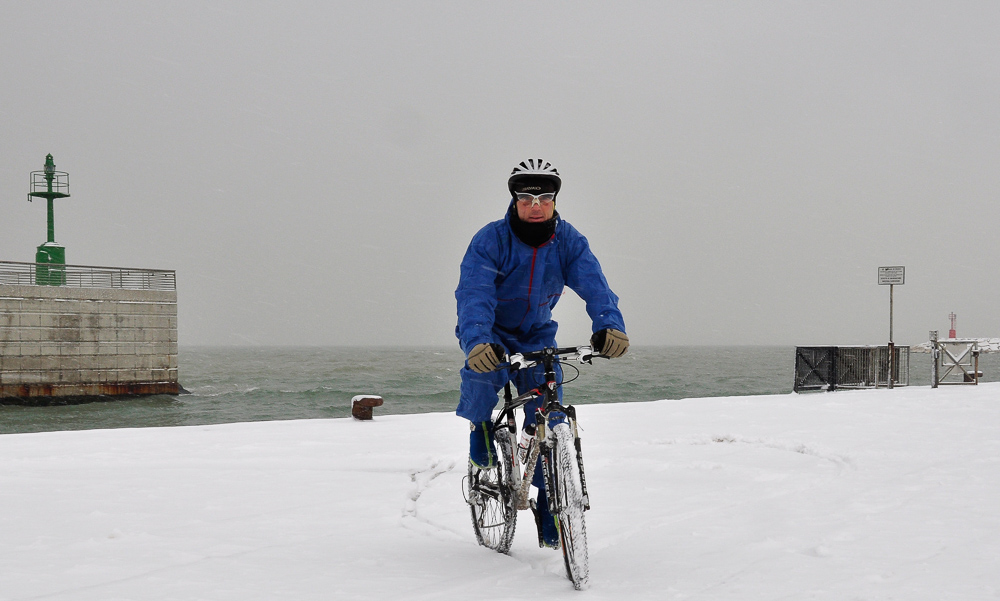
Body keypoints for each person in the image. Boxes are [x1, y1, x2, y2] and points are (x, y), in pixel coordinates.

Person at [455, 158, 628, 548]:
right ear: (515, 200)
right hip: (491, 331)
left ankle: (550, 498)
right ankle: (480, 426)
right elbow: (474, 294)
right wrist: (477, 339)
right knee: (482, 375)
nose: (536, 206)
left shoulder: (568, 241)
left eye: (544, 198)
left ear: (554, 201)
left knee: (549, 407)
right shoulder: (491, 240)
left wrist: (609, 324)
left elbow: (595, 285)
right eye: (527, 198)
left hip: (536, 332)